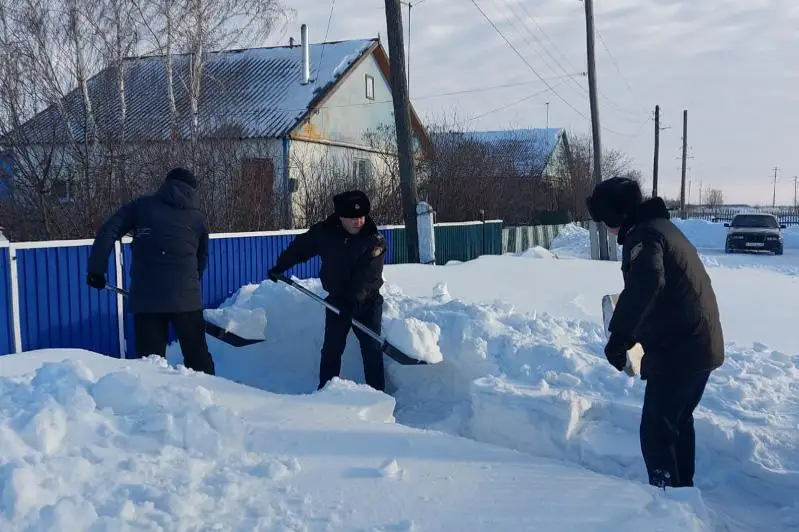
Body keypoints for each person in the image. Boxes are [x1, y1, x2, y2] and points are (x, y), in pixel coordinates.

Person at [585, 177, 724, 489]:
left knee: (656, 433)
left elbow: (648, 283)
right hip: (696, 345)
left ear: (616, 216)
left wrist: (620, 337)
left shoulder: (644, 236)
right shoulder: (660, 228)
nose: (605, 228)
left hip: (682, 351)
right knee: (675, 424)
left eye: (604, 219)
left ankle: (667, 507)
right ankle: (681, 495)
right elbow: (656, 290)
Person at [86, 167, 215, 375]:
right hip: (187, 300)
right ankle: (211, 400)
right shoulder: (197, 219)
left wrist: (96, 271)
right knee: (198, 357)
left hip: (147, 299)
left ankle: (154, 406)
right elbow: (202, 260)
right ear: (192, 191)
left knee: (150, 364)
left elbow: (108, 231)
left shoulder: (141, 207)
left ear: (166, 184)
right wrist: (185, 286)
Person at [267, 190, 387, 392]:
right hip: (337, 301)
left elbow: (369, 278)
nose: (358, 221)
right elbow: (300, 248)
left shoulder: (374, 239)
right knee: (331, 349)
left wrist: (353, 303)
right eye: (352, 218)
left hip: (367, 303)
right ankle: (325, 393)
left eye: (361, 217)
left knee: (371, 349)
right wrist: (281, 266)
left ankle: (378, 395)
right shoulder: (325, 233)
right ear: (341, 218)